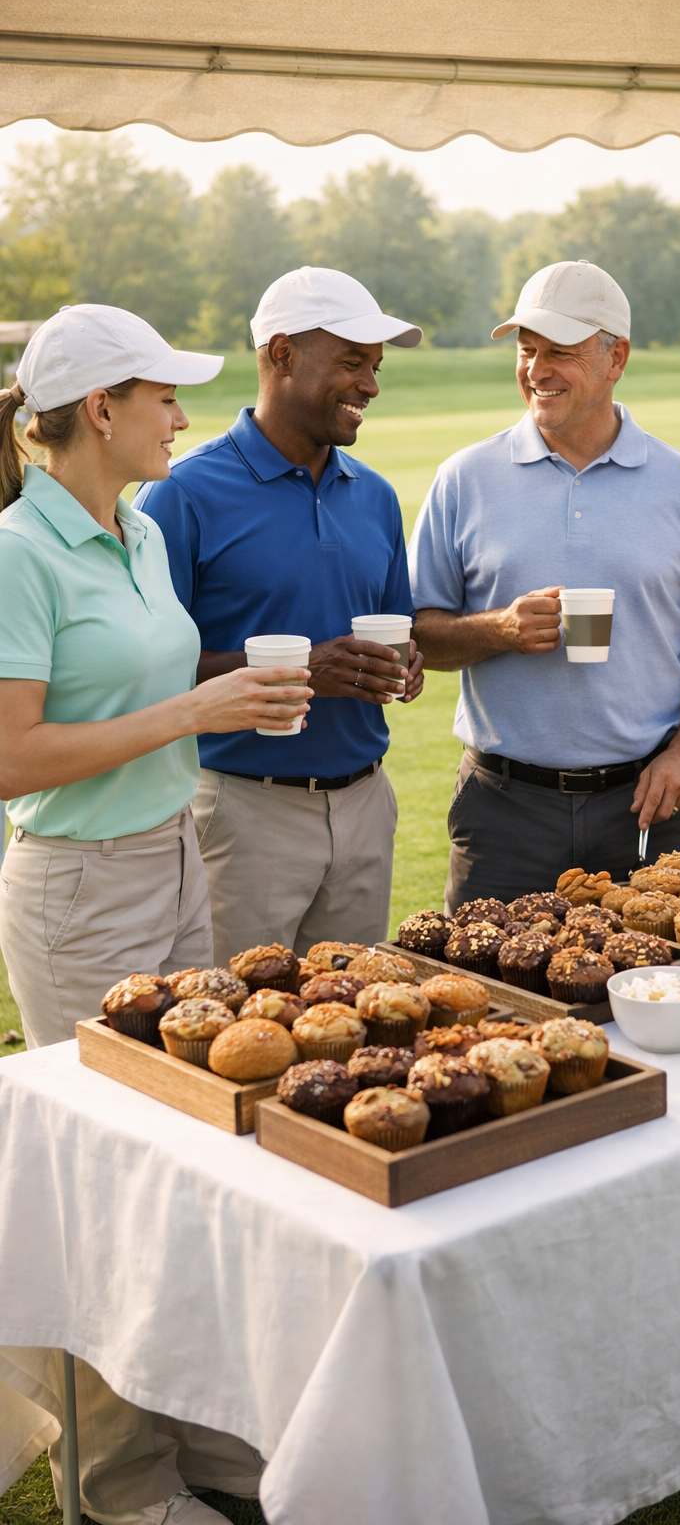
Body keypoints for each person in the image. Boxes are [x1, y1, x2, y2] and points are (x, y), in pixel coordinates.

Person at [0, 305, 310, 1522]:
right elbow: (12, 756)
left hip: (174, 861)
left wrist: (224, 698)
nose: (183, 414)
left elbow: (135, 686)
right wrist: (194, 711)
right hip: (80, 893)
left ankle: (207, 1441)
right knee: (104, 1195)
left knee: (190, 1176)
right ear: (98, 410)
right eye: (162, 395)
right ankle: (122, 1486)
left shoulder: (132, 531)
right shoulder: (19, 552)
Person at [409, 260, 680, 907]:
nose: (537, 370)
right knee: (495, 1005)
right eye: (527, 350)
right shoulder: (464, 478)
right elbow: (420, 636)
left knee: (654, 999)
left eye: (560, 353)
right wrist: (499, 631)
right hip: (502, 812)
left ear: (615, 357)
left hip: (643, 808)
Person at [137, 267, 425, 966]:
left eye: (377, 367)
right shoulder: (181, 495)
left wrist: (404, 664)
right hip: (242, 814)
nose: (371, 385)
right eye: (352, 362)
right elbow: (148, 673)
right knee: (238, 1032)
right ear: (282, 353)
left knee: (354, 1029)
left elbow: (397, 629)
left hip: (365, 806)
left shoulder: (377, 497)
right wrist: (301, 671)